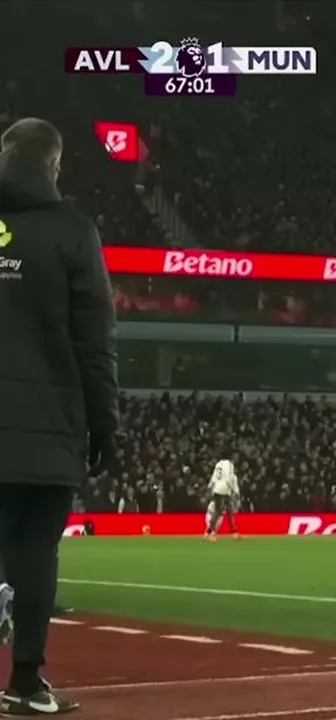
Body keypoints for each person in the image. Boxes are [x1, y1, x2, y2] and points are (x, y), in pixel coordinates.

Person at [0, 117, 117, 715]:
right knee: (34, 553)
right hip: (48, 424)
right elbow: (94, 339)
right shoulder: (73, 231)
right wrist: (104, 424)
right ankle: (24, 684)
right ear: (54, 164)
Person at [204, 458, 240, 541]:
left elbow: (214, 477)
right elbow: (228, 479)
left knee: (229, 511)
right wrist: (233, 490)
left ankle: (234, 532)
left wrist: (210, 486)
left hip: (218, 489)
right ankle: (210, 532)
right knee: (218, 512)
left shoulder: (218, 464)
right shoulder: (229, 464)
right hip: (224, 489)